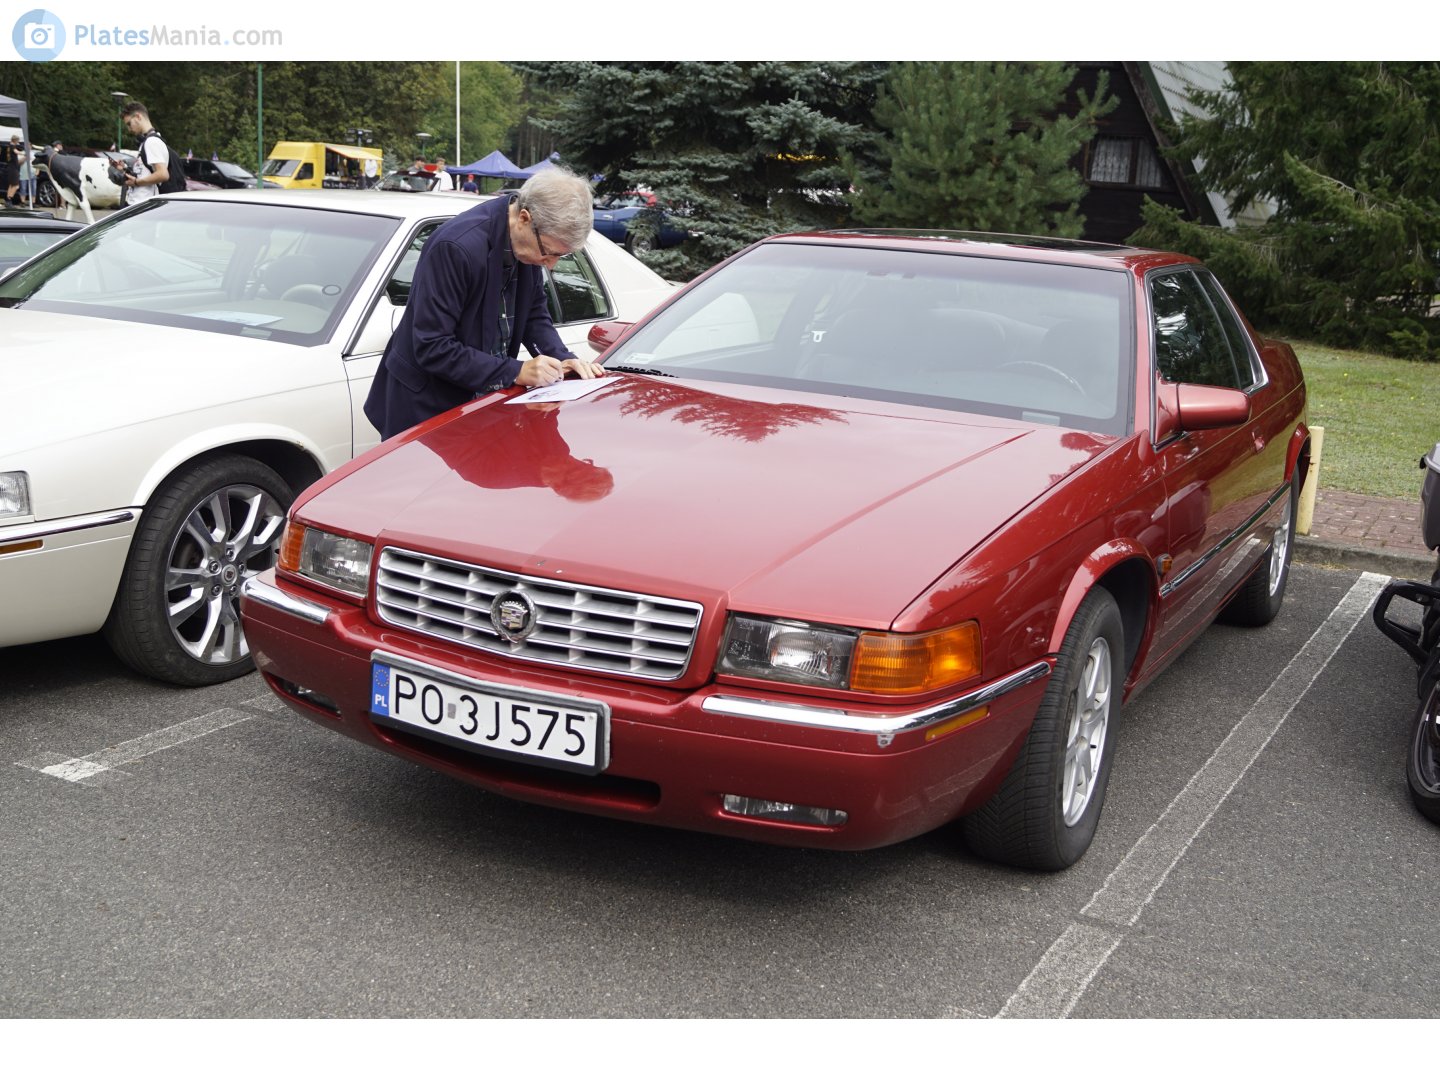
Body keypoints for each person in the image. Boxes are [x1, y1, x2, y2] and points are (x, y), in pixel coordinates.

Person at [363, 167, 604, 440]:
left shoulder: (529, 242)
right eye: (549, 252)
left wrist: (562, 359)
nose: (551, 264)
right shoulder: (456, 247)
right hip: (424, 406)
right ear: (524, 218)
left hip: (480, 403)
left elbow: (534, 314)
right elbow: (433, 347)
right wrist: (517, 370)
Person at [118, 101, 169, 203]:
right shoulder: (147, 142)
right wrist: (124, 169)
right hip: (140, 204)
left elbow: (163, 174)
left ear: (138, 117)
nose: (129, 129)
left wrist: (136, 182)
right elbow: (145, 172)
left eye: (129, 124)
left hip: (144, 205)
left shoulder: (152, 142)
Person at [3, 135, 19, 204]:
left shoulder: (9, 147)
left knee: (11, 185)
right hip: (13, 169)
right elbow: (16, 152)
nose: (18, 142)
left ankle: (8, 199)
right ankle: (10, 198)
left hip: (11, 168)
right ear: (15, 140)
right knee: (16, 186)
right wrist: (25, 153)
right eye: (18, 141)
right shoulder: (12, 146)